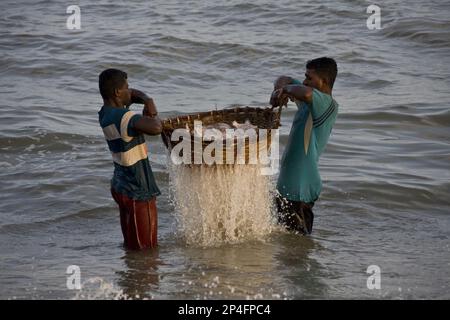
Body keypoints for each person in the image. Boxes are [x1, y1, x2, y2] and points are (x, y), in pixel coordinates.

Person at [270, 57, 338, 235]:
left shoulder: (326, 103)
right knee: (289, 247)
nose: (306, 81)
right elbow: (284, 78)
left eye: (310, 78)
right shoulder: (308, 103)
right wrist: (279, 89)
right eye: (305, 77)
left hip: (301, 189)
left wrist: (285, 90)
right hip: (289, 187)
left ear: (323, 82)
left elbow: (305, 92)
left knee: (297, 250)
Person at [98, 68, 162, 249]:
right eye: (127, 87)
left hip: (121, 186)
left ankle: (131, 275)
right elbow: (156, 128)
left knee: (132, 246)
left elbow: (130, 97)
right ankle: (143, 276)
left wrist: (142, 98)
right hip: (137, 190)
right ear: (118, 92)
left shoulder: (105, 114)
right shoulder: (125, 118)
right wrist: (150, 103)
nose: (130, 90)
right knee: (146, 249)